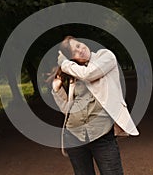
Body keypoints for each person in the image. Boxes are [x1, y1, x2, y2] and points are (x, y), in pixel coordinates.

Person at [51, 36, 139, 175]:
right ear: (72, 59)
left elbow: (89, 74)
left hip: (101, 133)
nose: (80, 50)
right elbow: (68, 110)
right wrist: (57, 91)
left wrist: (64, 63)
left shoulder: (105, 56)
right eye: (74, 52)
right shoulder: (75, 74)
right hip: (74, 135)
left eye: (79, 45)